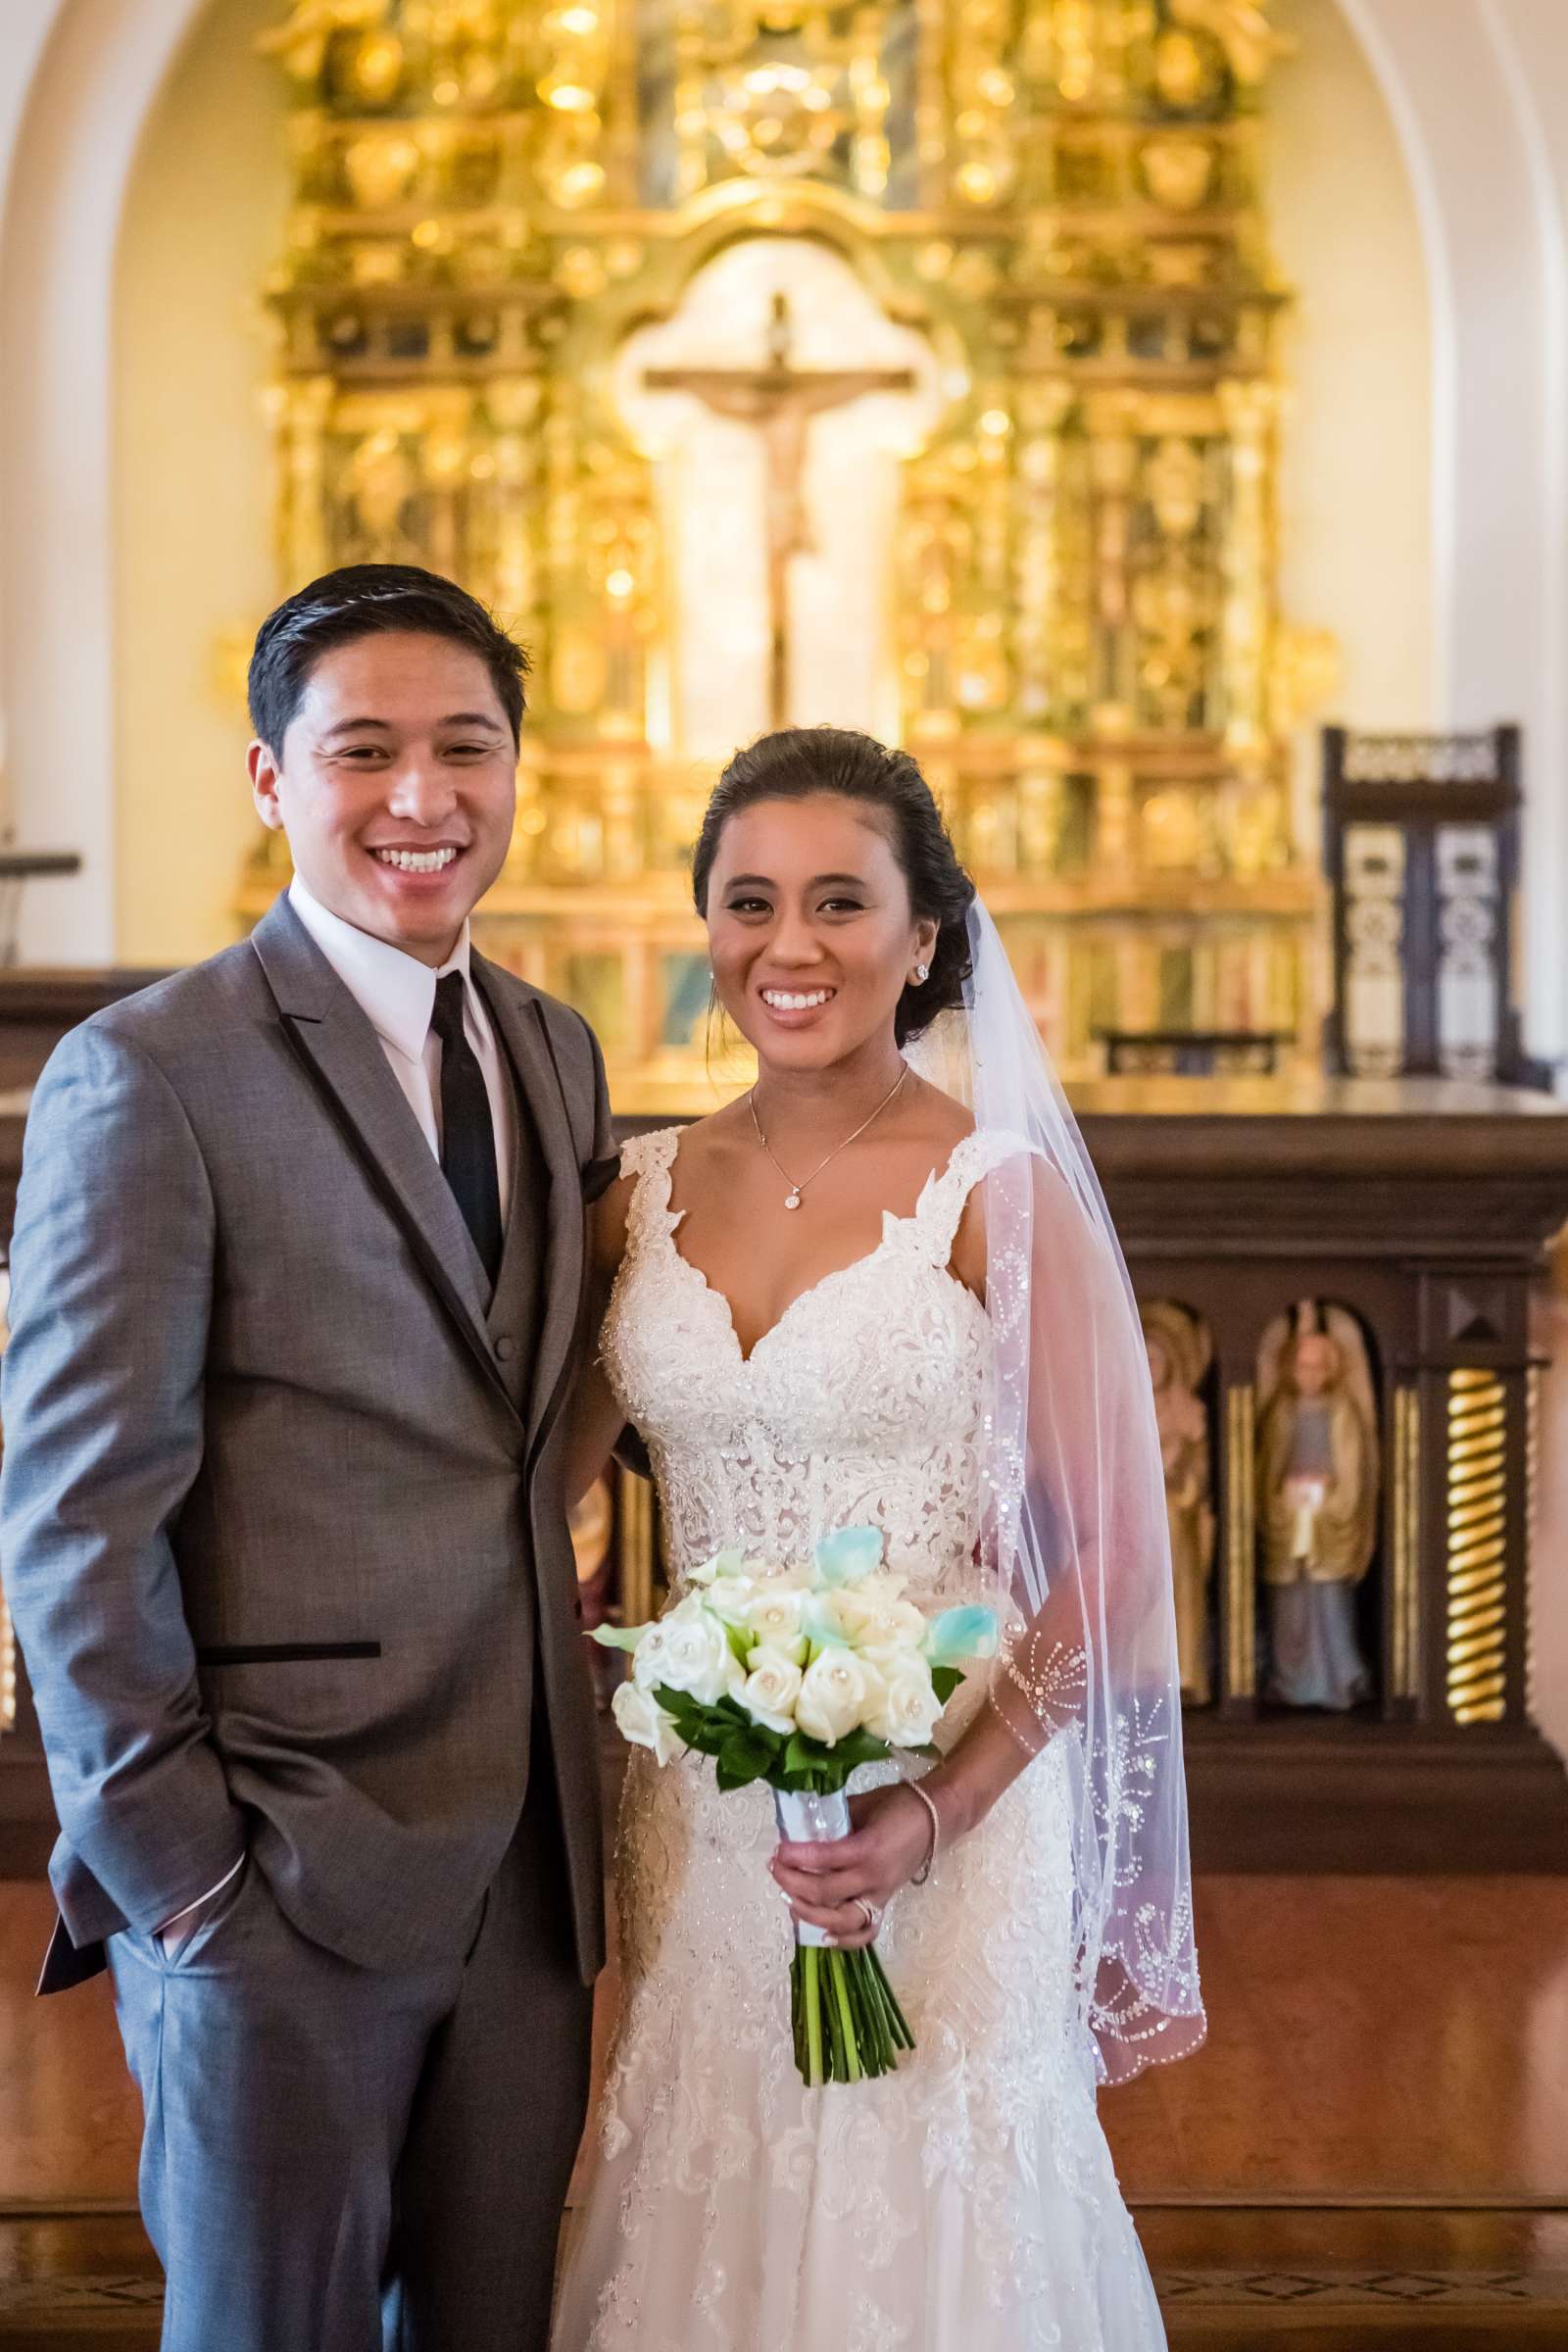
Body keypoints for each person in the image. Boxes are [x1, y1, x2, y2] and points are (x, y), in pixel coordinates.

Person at [0, 564, 616, 2352]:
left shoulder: (555, 1051)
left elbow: (534, 1419)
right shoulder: (151, 1073)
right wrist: (183, 1871)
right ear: (272, 779)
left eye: (465, 747)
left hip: (530, 1876)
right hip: (272, 1863)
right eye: (365, 751)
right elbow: (73, 1512)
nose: (423, 798)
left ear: (516, 767)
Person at [557, 725, 1203, 2351]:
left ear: (924, 939)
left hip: (951, 1810)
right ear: (705, 924)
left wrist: (931, 1810)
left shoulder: (996, 1192)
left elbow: (1117, 1566)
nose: (791, 945)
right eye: (749, 901)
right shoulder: (638, 1193)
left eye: (841, 903)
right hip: (703, 1818)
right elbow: (531, 1497)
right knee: (710, 2185)